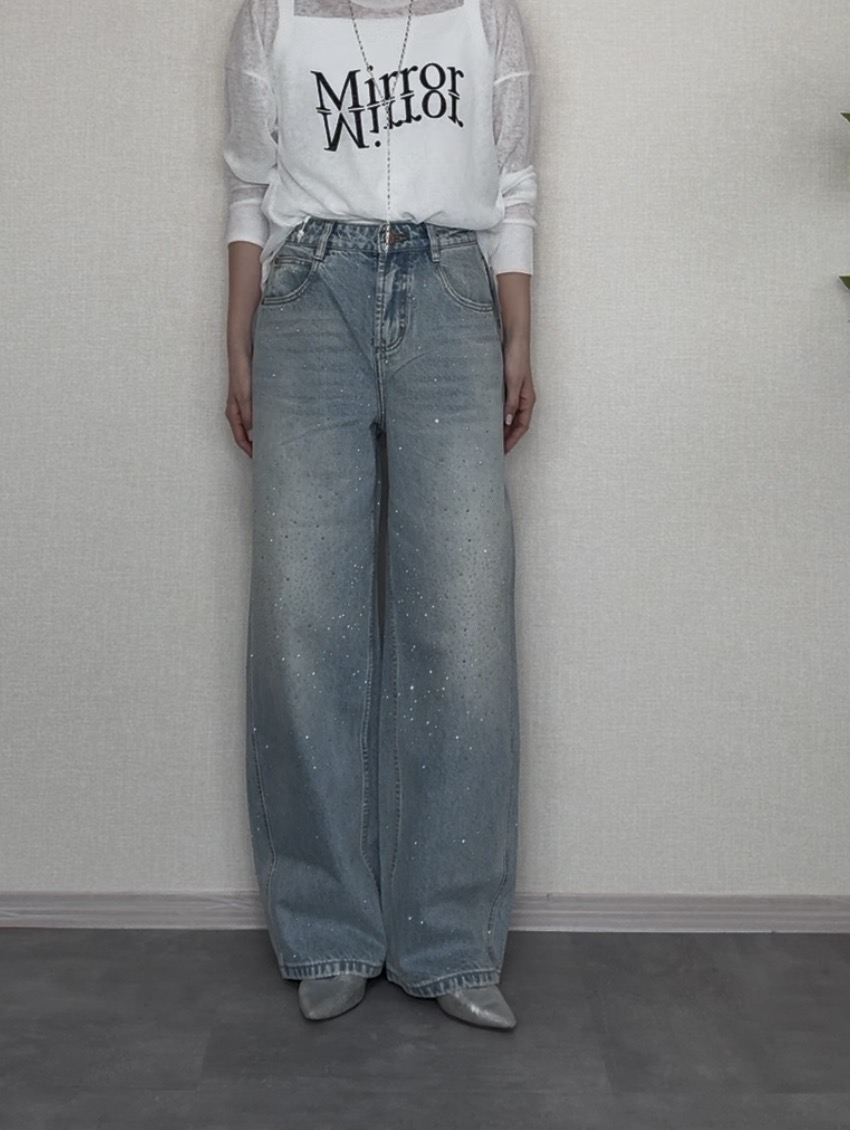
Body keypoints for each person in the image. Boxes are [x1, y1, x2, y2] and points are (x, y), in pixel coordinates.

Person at [223, 0, 537, 1030]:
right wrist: (236, 341)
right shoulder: (273, 15)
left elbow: (515, 185)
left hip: (452, 294)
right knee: (302, 622)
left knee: (465, 624)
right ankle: (328, 930)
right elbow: (248, 186)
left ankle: (449, 941)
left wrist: (519, 333)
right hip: (308, 299)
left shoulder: (484, 16)